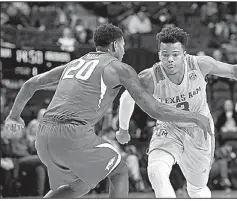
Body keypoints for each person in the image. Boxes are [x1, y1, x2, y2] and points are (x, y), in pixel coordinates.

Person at [4, 23, 211, 199]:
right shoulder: (119, 68)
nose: (124, 50)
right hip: (71, 134)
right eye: (123, 45)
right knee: (119, 169)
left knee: (82, 185)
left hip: (43, 136)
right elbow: (155, 110)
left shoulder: (75, 63)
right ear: (114, 45)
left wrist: (14, 116)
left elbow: (31, 84)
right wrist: (192, 116)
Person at [117, 26, 237, 198]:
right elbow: (126, 97)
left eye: (175, 54)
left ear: (184, 53)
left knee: (197, 189)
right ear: (159, 54)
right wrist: (123, 130)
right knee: (156, 171)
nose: (169, 60)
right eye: (164, 54)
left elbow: (233, 71)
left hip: (200, 129)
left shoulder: (199, 64)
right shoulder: (150, 77)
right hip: (169, 128)